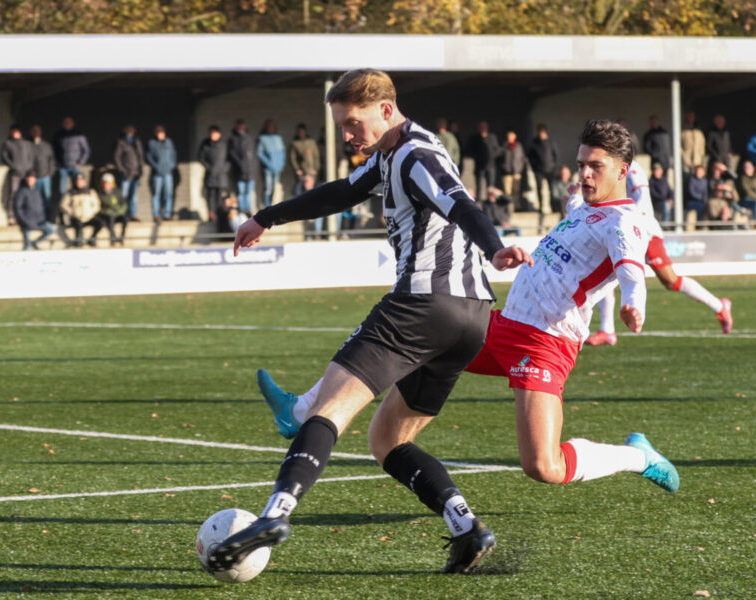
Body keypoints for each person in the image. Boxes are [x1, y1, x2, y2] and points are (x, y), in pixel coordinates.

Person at [256, 120, 678, 531]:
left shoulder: (626, 221)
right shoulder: (586, 206)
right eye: (582, 163)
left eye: (595, 167)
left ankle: (637, 456)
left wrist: (633, 303)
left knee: (542, 465)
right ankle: (302, 408)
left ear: (623, 171)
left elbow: (630, 270)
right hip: (503, 325)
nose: (584, 174)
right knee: (420, 331)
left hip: (545, 343)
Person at [209, 69, 532, 576]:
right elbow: (339, 193)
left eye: (352, 123)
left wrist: (495, 248)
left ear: (385, 109)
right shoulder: (387, 156)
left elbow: (459, 203)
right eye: (342, 125)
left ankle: (275, 515)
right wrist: (266, 217)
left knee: (330, 410)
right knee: (387, 442)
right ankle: (466, 526)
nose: (347, 135)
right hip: (470, 319)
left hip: (422, 304)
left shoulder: (416, 154)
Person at [585, 157, 732, 347]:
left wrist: (629, 221)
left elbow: (642, 200)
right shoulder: (604, 167)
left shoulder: (632, 169)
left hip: (644, 232)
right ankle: (607, 330)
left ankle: (720, 306)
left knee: (671, 281)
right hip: (618, 231)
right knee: (604, 272)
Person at [14, 170, 59, 250]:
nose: (31, 180)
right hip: (26, 222)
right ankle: (27, 247)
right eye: (29, 178)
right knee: (26, 246)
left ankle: (34, 243)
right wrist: (24, 221)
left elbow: (41, 206)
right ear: (26, 179)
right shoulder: (21, 192)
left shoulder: (37, 191)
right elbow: (18, 208)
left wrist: (43, 218)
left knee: (51, 229)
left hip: (39, 221)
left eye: (33, 178)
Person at [527, 123, 560, 225]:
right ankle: (541, 207)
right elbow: (530, 157)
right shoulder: (534, 143)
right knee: (539, 189)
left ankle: (553, 207)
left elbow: (556, 156)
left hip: (550, 170)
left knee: (552, 189)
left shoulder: (550, 142)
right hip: (539, 171)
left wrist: (555, 168)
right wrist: (534, 168)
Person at [1, 125, 34, 224]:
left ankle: (26, 215)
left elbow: (30, 158)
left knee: (26, 194)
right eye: (13, 131)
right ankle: (11, 215)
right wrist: (13, 166)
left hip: (26, 174)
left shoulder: (26, 144)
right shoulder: (8, 143)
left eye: (17, 131)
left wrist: (29, 171)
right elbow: (4, 156)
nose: (15, 133)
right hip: (15, 173)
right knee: (13, 194)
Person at [58, 172, 101, 247]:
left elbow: (96, 204)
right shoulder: (70, 193)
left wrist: (91, 212)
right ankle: (78, 243)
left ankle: (91, 240)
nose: (79, 182)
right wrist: (72, 212)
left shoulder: (90, 191)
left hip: (88, 217)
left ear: (84, 181)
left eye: (80, 180)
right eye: (77, 181)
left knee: (100, 223)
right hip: (76, 217)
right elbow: (63, 205)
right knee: (77, 228)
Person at [52, 116, 90, 198]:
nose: (67, 124)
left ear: (73, 124)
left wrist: (80, 162)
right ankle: (64, 204)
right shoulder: (59, 135)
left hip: (75, 166)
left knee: (77, 187)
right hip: (63, 166)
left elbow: (86, 150)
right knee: (62, 190)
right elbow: (54, 150)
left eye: (69, 122)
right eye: (65, 122)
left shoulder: (78, 134)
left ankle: (75, 203)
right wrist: (57, 163)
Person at [113, 125, 144, 222]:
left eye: (132, 131)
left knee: (133, 197)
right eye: (129, 131)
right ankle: (121, 214)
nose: (130, 133)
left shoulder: (137, 142)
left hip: (135, 174)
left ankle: (132, 215)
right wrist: (122, 170)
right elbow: (117, 157)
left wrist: (140, 169)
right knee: (123, 195)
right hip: (126, 174)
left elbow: (141, 157)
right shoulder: (121, 142)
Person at [197, 125, 229, 219]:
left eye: (214, 133)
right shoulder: (205, 144)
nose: (212, 135)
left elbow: (229, 159)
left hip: (221, 175)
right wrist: (209, 168)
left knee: (220, 195)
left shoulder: (224, 145)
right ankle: (212, 214)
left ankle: (220, 214)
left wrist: (225, 168)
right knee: (210, 195)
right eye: (211, 133)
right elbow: (201, 157)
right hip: (210, 174)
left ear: (219, 134)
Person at [146, 125, 176, 222]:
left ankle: (167, 214)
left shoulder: (169, 142)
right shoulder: (152, 143)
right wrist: (156, 167)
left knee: (168, 194)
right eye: (159, 134)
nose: (161, 135)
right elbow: (149, 157)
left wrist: (172, 165)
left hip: (168, 172)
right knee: (156, 194)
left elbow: (173, 154)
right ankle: (156, 215)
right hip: (157, 173)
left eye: (162, 133)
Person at [465, 120, 500, 201]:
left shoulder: (492, 137)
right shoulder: (474, 138)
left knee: (491, 187)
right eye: (481, 127)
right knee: (479, 185)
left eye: (484, 127)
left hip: (491, 165)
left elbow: (497, 149)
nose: (483, 128)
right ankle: (479, 201)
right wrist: (477, 156)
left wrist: (491, 156)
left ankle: (491, 202)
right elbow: (469, 150)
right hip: (479, 165)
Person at [228, 119, 257, 214]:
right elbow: (232, 154)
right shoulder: (233, 139)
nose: (241, 127)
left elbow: (253, 156)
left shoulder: (249, 138)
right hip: (239, 171)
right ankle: (242, 209)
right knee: (241, 192)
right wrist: (240, 164)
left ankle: (248, 210)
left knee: (249, 192)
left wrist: (253, 168)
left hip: (250, 171)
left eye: (242, 125)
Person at [93, 172, 129, 246]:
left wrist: (119, 211)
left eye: (108, 183)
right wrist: (108, 211)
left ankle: (122, 237)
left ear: (112, 183)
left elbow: (124, 204)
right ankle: (113, 238)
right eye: (105, 183)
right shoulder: (99, 193)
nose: (106, 185)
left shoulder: (117, 192)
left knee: (125, 218)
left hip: (117, 213)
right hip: (106, 215)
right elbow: (98, 207)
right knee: (110, 218)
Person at [257, 118, 286, 208]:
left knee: (275, 188)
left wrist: (281, 164)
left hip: (278, 167)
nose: (270, 128)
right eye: (269, 127)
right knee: (268, 187)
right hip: (268, 168)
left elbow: (282, 152)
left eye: (272, 127)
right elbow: (260, 153)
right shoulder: (262, 138)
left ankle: (274, 205)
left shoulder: (278, 138)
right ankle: (267, 206)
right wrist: (269, 164)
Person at [29, 125, 55, 217]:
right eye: (34, 130)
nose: (36, 132)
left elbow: (51, 160)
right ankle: (36, 217)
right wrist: (31, 174)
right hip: (34, 178)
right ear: (31, 132)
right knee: (35, 199)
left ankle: (47, 217)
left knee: (47, 198)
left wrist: (50, 173)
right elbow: (28, 161)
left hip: (45, 177)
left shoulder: (46, 146)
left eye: (38, 130)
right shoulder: (29, 145)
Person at [288, 123, 320, 196]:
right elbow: (292, 158)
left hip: (311, 171)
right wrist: (297, 169)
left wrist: (316, 168)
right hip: (302, 172)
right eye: (299, 132)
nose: (301, 133)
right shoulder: (295, 143)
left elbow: (316, 156)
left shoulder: (311, 142)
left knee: (312, 191)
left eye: (302, 131)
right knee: (299, 191)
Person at [499, 128, 526, 210]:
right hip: (506, 172)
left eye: (511, 135)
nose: (510, 137)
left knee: (516, 190)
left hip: (516, 171)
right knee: (507, 191)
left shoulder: (518, 146)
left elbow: (522, 158)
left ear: (515, 136)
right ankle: (508, 207)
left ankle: (516, 206)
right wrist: (503, 167)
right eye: (509, 135)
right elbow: (500, 158)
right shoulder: (504, 146)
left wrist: (520, 168)